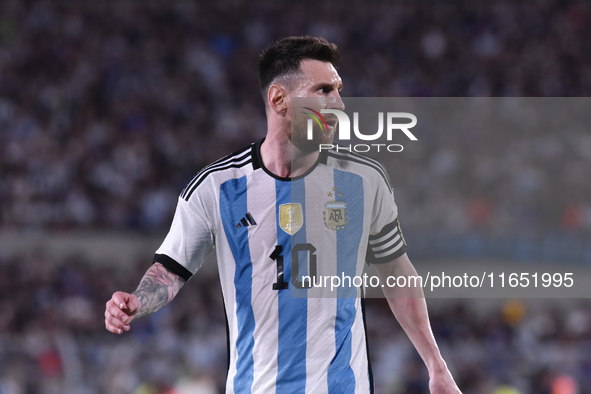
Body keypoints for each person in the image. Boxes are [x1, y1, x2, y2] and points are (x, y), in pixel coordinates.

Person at [105, 36, 461, 394]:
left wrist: (436, 365)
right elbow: (171, 268)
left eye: (338, 90)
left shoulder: (364, 181)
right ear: (279, 99)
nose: (338, 104)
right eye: (324, 90)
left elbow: (396, 271)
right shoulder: (218, 187)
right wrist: (137, 301)